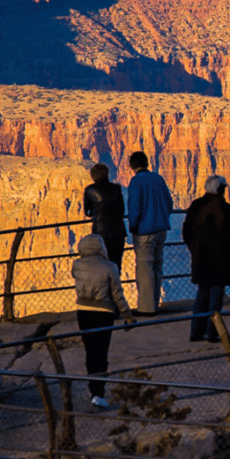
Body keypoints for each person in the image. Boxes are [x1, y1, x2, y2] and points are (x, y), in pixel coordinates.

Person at [71, 234, 134, 407]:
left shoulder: (76, 265)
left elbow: (76, 278)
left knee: (90, 352)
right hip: (104, 313)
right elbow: (117, 295)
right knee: (101, 353)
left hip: (83, 312)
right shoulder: (110, 267)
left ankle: (94, 390)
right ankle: (99, 393)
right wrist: (127, 315)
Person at [182, 175, 230, 343]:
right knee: (216, 295)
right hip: (221, 259)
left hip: (201, 257)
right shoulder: (225, 208)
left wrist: (194, 248)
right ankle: (213, 334)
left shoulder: (195, 205)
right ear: (220, 189)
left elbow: (186, 231)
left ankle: (195, 332)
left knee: (202, 293)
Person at [127, 150, 173, 315]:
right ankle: (155, 303)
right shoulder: (158, 178)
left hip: (145, 231)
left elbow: (135, 207)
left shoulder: (136, 181)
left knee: (145, 268)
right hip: (162, 229)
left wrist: (133, 226)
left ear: (132, 165)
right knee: (157, 266)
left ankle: (147, 309)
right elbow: (169, 204)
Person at [83, 162, 127, 270]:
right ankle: (115, 285)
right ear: (107, 174)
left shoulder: (89, 190)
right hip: (118, 232)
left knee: (102, 266)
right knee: (116, 265)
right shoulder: (117, 188)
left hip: (100, 233)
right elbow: (122, 210)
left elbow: (87, 211)